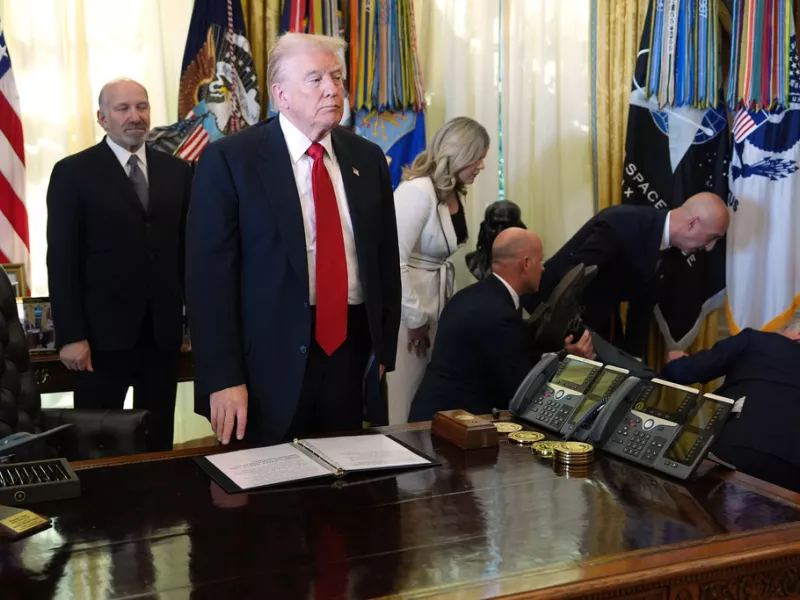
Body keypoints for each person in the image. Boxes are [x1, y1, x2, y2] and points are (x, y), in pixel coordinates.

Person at [186, 33, 401, 446]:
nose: (332, 89)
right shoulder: (231, 160)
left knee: (348, 477)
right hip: (265, 365)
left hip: (351, 352)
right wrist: (223, 376)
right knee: (271, 483)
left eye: (337, 77)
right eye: (315, 79)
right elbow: (208, 282)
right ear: (281, 95)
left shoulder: (367, 158)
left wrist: (382, 352)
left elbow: (384, 262)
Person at [46, 77, 193, 452]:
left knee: (158, 441)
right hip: (98, 341)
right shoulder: (72, 173)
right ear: (102, 117)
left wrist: (193, 323)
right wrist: (71, 335)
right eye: (123, 108)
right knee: (95, 447)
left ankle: (159, 494)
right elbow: (61, 260)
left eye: (141, 107)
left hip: (161, 337)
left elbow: (186, 254)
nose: (135, 116)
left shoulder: (178, 172)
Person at [408, 228, 594, 422]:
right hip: (449, 428)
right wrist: (574, 366)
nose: (542, 268)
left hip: (432, 416)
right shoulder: (499, 315)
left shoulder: (469, 296)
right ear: (526, 264)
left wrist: (562, 354)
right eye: (540, 261)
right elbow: (525, 395)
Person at [523, 192, 730, 360]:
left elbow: (643, 304)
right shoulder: (623, 223)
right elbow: (571, 278)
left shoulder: (672, 247)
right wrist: (567, 341)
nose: (710, 247)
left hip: (592, 323)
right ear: (692, 223)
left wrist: (633, 359)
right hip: (547, 320)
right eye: (712, 237)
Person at [386, 117, 490, 424]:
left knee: (428, 397)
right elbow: (393, 260)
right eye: (478, 158)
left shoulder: (451, 191)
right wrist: (415, 319)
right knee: (405, 398)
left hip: (435, 304)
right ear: (461, 153)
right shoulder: (418, 191)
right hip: (408, 311)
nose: (482, 166)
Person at [661, 321, 800, 493]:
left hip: (737, 446)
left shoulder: (756, 340)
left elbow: (688, 370)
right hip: (794, 471)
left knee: (697, 502)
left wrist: (676, 362)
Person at [465, 200, 527, 281]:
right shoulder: (473, 262)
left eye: (506, 226)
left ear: (519, 228)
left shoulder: (527, 264)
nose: (499, 232)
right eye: (493, 226)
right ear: (484, 227)